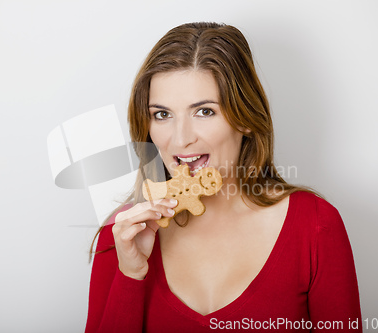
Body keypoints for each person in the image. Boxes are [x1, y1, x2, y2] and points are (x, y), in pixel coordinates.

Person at [85, 22, 362, 332]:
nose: (179, 140)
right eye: (162, 114)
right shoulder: (124, 234)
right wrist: (130, 275)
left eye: (204, 111)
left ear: (244, 118)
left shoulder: (315, 226)